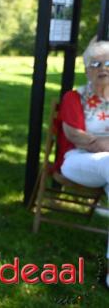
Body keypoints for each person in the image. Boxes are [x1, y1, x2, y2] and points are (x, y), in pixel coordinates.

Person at [57, 40, 109, 290]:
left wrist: (100, 141)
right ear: (87, 69)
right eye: (96, 63)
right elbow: (79, 137)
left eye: (108, 62)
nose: (103, 68)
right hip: (75, 159)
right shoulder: (74, 97)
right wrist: (99, 142)